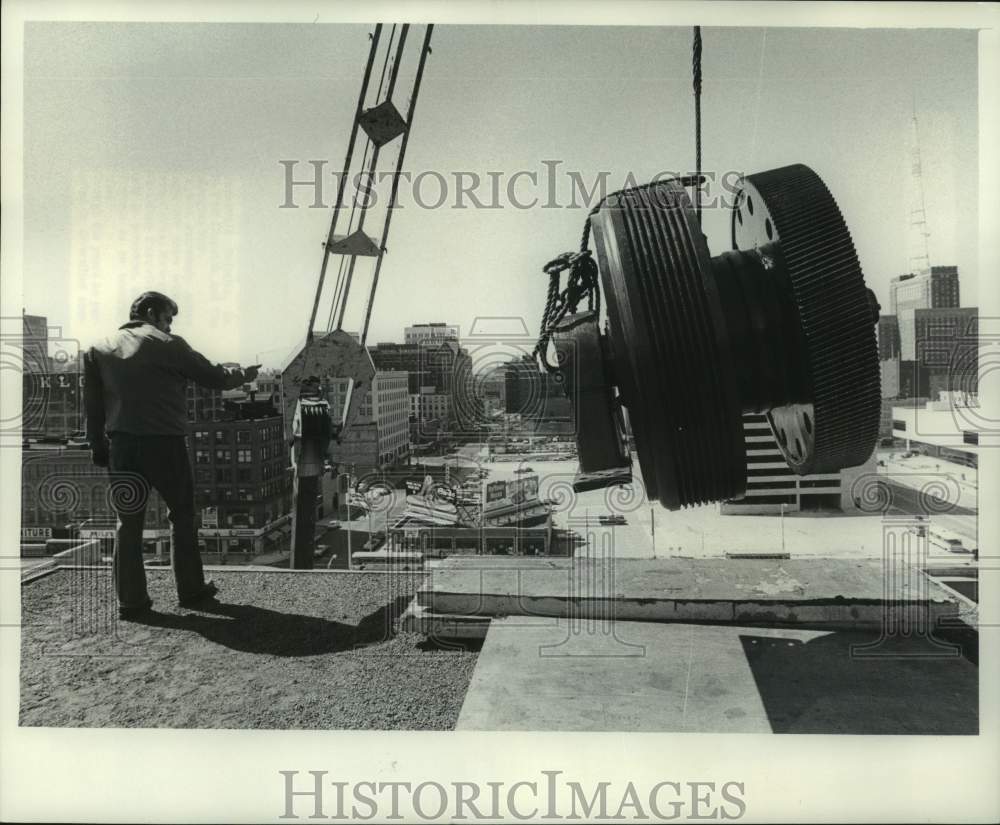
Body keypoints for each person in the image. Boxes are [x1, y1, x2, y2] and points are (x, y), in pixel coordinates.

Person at [83, 291, 260, 619]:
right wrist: (244, 375)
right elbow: (214, 377)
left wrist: (97, 446)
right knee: (182, 515)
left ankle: (131, 602)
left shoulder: (98, 348)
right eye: (167, 318)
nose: (168, 325)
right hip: (165, 444)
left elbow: (93, 408)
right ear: (151, 313)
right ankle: (191, 591)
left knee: (128, 523)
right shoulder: (168, 343)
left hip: (122, 446)